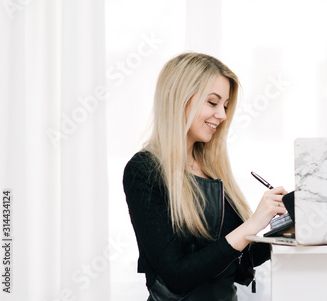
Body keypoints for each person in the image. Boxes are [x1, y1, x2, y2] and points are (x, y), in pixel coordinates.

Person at [123, 52, 288, 300]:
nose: (222, 115)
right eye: (212, 103)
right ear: (178, 100)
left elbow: (240, 257)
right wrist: (251, 224)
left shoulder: (210, 168)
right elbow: (177, 276)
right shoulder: (144, 170)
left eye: (225, 105)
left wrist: (282, 228)